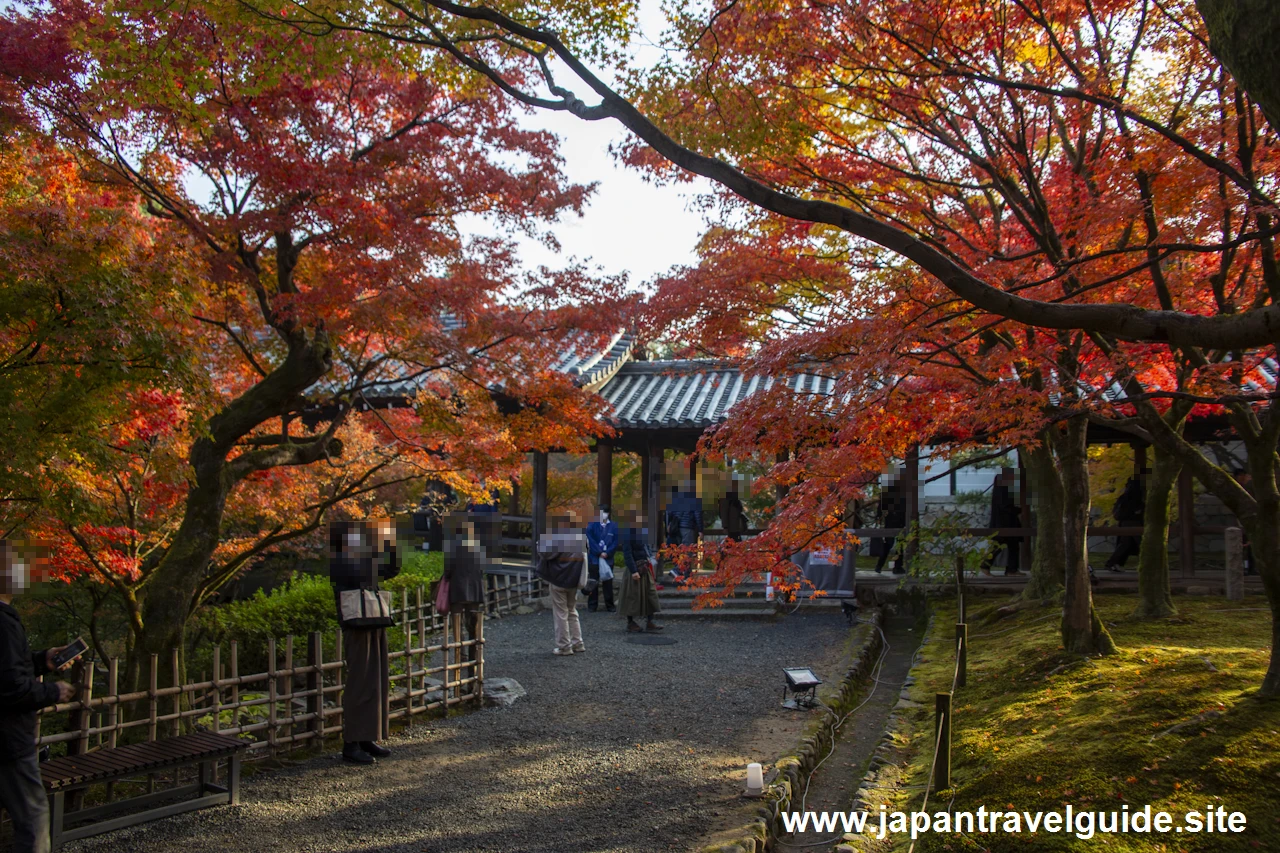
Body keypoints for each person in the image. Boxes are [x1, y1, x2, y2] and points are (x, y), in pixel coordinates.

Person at [1, 539, 77, 853]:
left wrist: (39, 659)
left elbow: (6, 668)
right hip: (8, 741)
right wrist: (53, 691)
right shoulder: (4, 623)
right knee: (34, 821)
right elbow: (12, 689)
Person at [330, 519, 399, 765]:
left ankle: (367, 736)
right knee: (359, 681)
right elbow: (358, 575)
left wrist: (390, 543)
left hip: (374, 621)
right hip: (356, 625)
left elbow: (391, 570)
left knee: (375, 680)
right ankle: (351, 744)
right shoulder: (340, 559)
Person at [537, 517, 588, 656]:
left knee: (561, 613)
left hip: (559, 579)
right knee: (572, 611)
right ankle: (578, 643)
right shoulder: (581, 538)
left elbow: (545, 554)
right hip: (574, 580)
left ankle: (564, 646)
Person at [618, 511, 663, 633]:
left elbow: (645, 548)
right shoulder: (627, 533)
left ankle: (649, 621)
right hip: (635, 568)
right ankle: (630, 622)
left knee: (650, 594)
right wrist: (633, 571)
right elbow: (627, 553)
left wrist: (649, 558)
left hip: (644, 566)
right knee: (632, 596)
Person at [979, 468, 1022, 577]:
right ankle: (989, 566)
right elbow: (1006, 506)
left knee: (1007, 545)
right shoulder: (1005, 491)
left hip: (1004, 521)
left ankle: (1010, 569)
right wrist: (1018, 510)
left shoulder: (1000, 491)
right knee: (1003, 545)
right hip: (1006, 522)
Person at [1105, 473, 1146, 571]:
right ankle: (1148, 564)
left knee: (1125, 544)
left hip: (1125, 522)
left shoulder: (1125, 496)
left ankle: (1112, 563)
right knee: (1141, 543)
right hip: (1134, 522)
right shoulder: (1136, 496)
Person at [664, 482, 703, 581]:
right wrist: (700, 530)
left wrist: (668, 525)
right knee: (688, 551)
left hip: (676, 528)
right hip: (687, 527)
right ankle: (677, 570)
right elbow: (697, 514)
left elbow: (669, 512)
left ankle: (686, 576)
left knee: (680, 551)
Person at [584, 506, 619, 612]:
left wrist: (607, 553)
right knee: (593, 581)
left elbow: (615, 541)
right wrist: (599, 552)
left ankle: (610, 605)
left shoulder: (614, 526)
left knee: (608, 582)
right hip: (594, 557)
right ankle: (592, 605)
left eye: (605, 512)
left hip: (608, 558)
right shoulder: (592, 525)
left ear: (608, 514)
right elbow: (590, 540)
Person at [874, 470, 907, 574]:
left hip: (897, 520)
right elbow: (881, 506)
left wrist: (878, 516)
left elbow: (881, 506)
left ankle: (894, 566)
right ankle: (885, 565)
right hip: (895, 519)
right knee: (891, 544)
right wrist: (879, 516)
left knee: (896, 544)